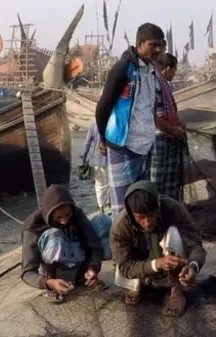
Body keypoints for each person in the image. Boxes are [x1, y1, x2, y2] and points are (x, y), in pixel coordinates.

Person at [95, 23, 170, 220]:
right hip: (122, 146)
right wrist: (102, 138)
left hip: (143, 147)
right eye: (154, 45)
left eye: (161, 45)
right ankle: (122, 247)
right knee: (122, 207)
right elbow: (103, 106)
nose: (158, 50)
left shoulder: (152, 71)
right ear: (140, 44)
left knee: (142, 202)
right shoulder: (124, 68)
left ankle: (143, 246)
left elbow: (149, 105)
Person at [111, 180, 206, 315]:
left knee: (174, 233)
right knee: (123, 259)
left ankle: (176, 291)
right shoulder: (120, 226)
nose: (147, 222)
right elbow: (125, 266)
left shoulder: (174, 209)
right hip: (141, 259)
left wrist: (192, 267)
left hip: (169, 256)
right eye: (141, 217)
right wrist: (157, 264)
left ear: (158, 207)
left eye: (151, 215)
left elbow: (196, 247)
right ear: (132, 214)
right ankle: (140, 285)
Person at [21, 185, 105, 303]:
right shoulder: (32, 227)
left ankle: (82, 275)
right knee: (54, 235)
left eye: (67, 215)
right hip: (50, 271)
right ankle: (53, 284)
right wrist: (48, 283)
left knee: (102, 230)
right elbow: (27, 272)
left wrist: (93, 268)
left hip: (77, 260)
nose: (64, 221)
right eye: (58, 217)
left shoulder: (77, 214)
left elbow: (95, 246)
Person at [150, 53, 186, 201]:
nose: (175, 73)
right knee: (157, 182)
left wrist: (179, 124)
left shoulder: (165, 84)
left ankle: (169, 212)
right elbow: (154, 116)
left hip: (169, 137)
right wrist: (173, 130)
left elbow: (168, 112)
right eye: (175, 70)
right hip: (159, 138)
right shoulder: (156, 82)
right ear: (169, 68)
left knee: (170, 182)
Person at [81, 123, 109, 212]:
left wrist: (83, 157)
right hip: (111, 161)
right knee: (109, 185)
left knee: (99, 186)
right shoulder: (111, 124)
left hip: (98, 161)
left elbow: (87, 143)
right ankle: (108, 206)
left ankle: (101, 207)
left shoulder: (93, 126)